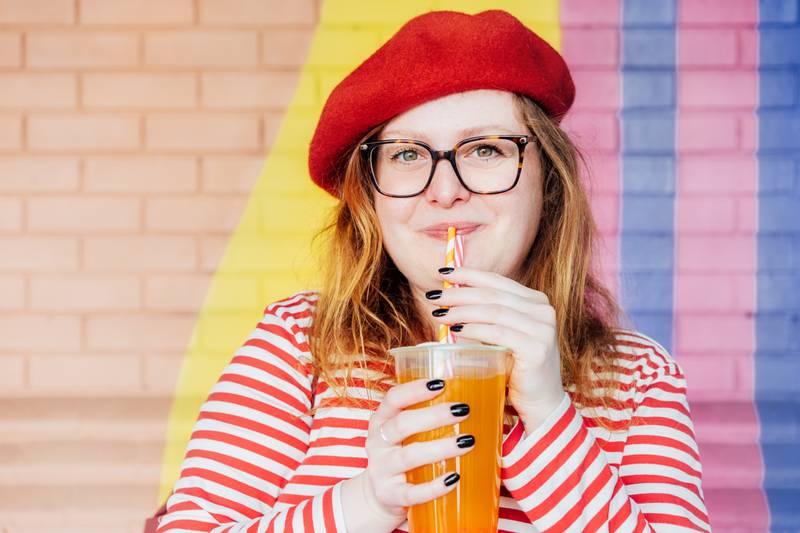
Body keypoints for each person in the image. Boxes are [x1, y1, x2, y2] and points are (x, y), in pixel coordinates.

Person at [153, 9, 710, 533]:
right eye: (407, 154)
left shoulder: (639, 378)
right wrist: (368, 502)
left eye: (485, 150)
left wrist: (547, 415)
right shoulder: (299, 343)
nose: (445, 191)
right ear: (371, 199)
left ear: (549, 181)